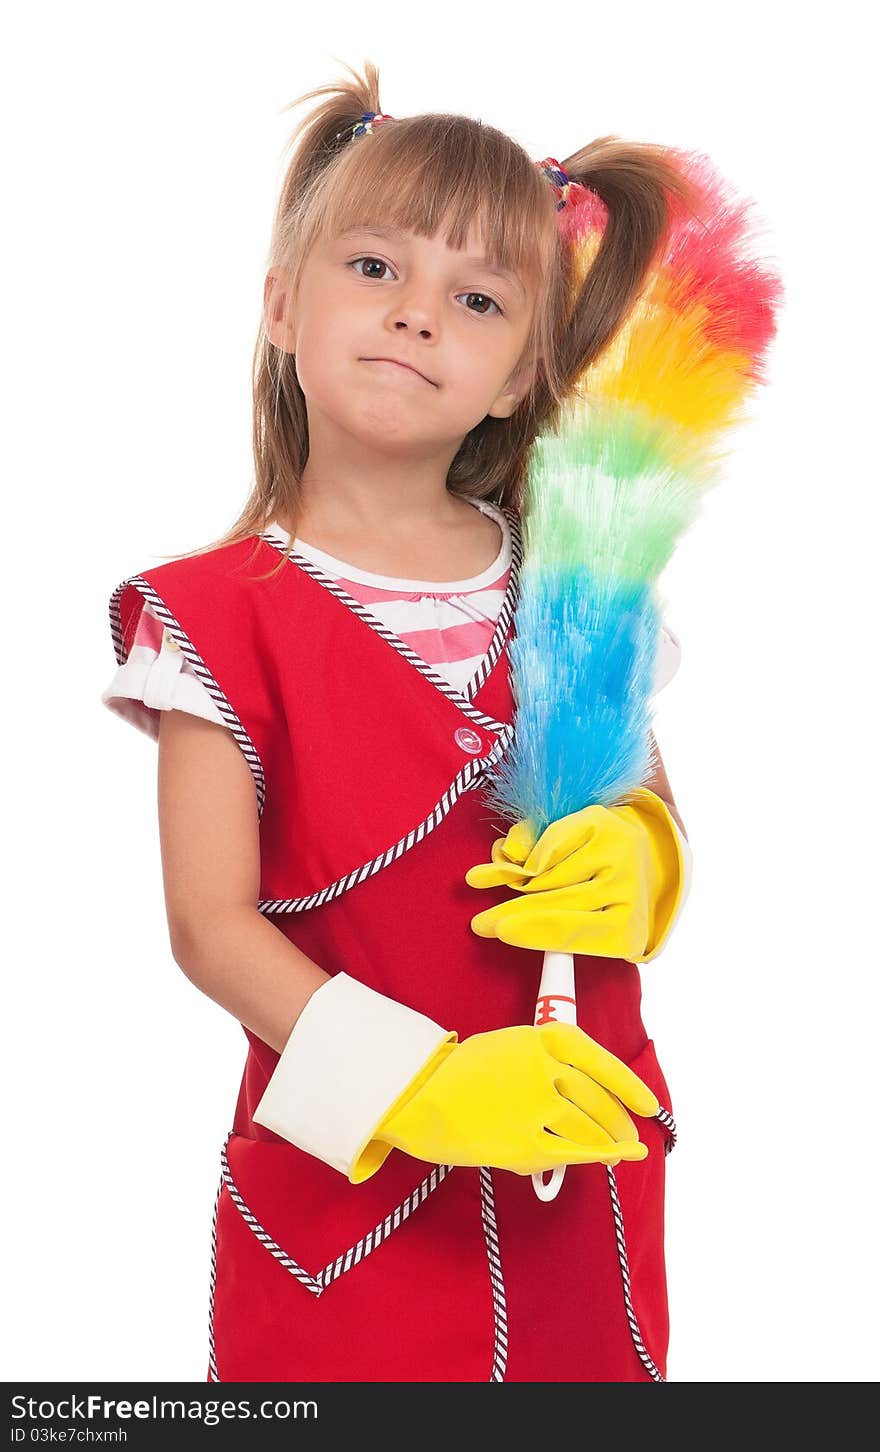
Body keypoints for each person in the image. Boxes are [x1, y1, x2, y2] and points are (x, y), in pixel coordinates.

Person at [101, 60, 695, 1383]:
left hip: (573, 1178)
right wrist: (414, 1087)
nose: (419, 315)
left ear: (517, 380)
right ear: (279, 306)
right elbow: (210, 926)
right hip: (349, 1197)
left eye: (477, 299)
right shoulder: (207, 622)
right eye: (375, 268)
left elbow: (655, 813)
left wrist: (641, 866)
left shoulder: (576, 589)